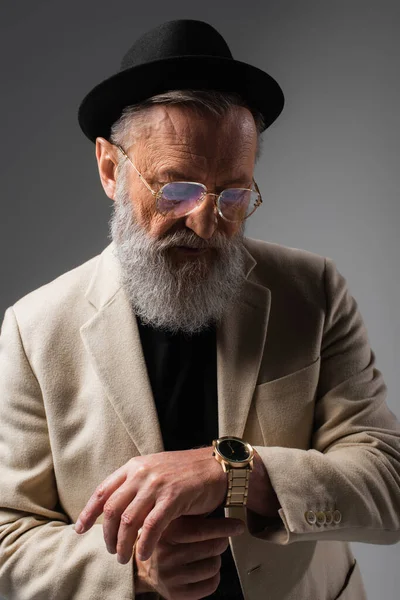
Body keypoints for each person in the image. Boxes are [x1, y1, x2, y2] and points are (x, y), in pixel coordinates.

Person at [0, 18, 399, 600]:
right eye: (177, 189)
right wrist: (132, 570)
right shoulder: (33, 331)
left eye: (233, 194)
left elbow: (389, 482)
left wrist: (235, 474)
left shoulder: (314, 290)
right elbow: (7, 535)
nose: (207, 222)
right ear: (111, 169)